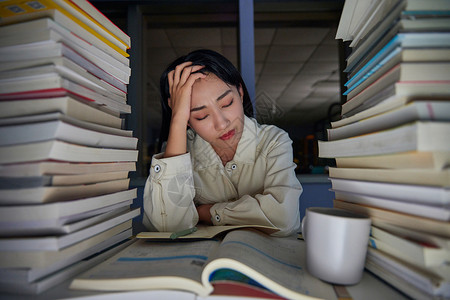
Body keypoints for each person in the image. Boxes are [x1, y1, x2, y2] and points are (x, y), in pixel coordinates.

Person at [142, 49, 302, 237]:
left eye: (226, 103)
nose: (222, 123)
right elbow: (167, 227)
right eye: (201, 115)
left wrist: (206, 212)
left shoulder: (273, 141)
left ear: (240, 93)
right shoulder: (178, 151)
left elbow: (283, 218)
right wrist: (177, 118)